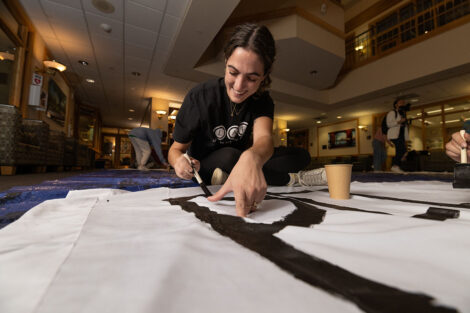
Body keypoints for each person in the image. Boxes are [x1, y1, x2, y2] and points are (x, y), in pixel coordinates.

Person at [168, 23, 326, 218]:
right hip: (207, 167)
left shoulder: (262, 99)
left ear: (264, 76)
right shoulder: (200, 96)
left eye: (252, 78)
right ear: (226, 61)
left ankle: (233, 175)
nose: (239, 86)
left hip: (242, 157)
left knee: (300, 156)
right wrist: (179, 163)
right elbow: (175, 150)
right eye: (233, 72)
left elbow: (264, 140)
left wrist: (251, 158)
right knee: (229, 156)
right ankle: (291, 180)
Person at [386, 99, 409, 173]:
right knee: (400, 149)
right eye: (401, 102)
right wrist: (399, 121)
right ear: (396, 104)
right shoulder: (392, 112)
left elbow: (404, 127)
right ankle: (395, 166)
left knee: (403, 150)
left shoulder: (402, 113)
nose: (403, 103)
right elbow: (389, 124)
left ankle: (396, 166)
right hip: (394, 134)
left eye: (403, 102)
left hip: (401, 134)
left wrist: (406, 138)